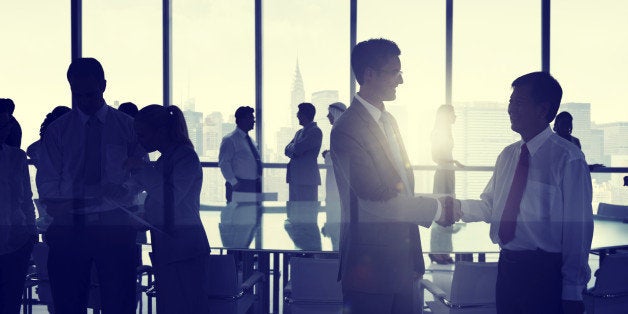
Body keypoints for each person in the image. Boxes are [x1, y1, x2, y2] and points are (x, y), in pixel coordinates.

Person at [330, 38, 459, 314]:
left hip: (404, 262)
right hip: (370, 267)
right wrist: (437, 208)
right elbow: (372, 200)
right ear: (369, 74)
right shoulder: (346, 128)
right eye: (395, 72)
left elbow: (401, 188)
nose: (400, 80)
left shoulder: (390, 121)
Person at [449, 72, 593, 314]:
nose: (510, 109)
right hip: (507, 269)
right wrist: (454, 208)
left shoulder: (568, 158)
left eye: (518, 103)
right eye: (510, 102)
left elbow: (577, 231)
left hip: (545, 273)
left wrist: (572, 290)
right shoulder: (507, 155)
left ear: (542, 109)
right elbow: (490, 206)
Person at [36, 57, 145, 314]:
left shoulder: (128, 127)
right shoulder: (58, 131)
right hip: (70, 223)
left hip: (116, 222)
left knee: (120, 302)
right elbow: (48, 179)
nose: (84, 100)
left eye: (90, 93)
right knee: (68, 301)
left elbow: (141, 171)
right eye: (78, 94)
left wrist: (126, 188)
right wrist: (58, 207)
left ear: (104, 86)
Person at [125, 104, 212, 314]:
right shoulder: (166, 159)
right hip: (171, 243)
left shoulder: (186, 157)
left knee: (185, 306)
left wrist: (143, 169)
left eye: (142, 134)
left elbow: (169, 197)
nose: (139, 140)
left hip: (185, 246)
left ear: (161, 132)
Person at [0, 103, 36, 314]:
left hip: (16, 239)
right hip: (15, 238)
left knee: (11, 303)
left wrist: (31, 232)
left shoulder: (17, 157)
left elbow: (26, 198)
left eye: (5, 126)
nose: (4, 131)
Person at [429, 104, 464, 265]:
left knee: (448, 210)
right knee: (442, 210)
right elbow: (435, 157)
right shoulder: (438, 132)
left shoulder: (447, 132)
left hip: (449, 173)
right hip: (443, 173)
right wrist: (453, 161)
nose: (455, 116)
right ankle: (437, 253)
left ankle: (444, 252)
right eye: (452, 114)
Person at [219, 106, 262, 203]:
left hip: (254, 185)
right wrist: (234, 183)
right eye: (251, 118)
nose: (254, 121)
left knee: (252, 215)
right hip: (240, 185)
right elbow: (224, 163)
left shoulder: (251, 141)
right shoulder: (230, 139)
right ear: (242, 120)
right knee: (238, 216)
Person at [285, 102, 322, 202]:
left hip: (307, 180)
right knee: (294, 212)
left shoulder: (315, 131)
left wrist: (294, 148)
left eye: (299, 112)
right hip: (295, 179)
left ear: (305, 114)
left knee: (307, 212)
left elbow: (297, 149)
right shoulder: (299, 132)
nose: (297, 115)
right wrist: (295, 148)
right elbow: (286, 150)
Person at [321, 102, 346, 250]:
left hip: (337, 185)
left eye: (330, 114)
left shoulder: (340, 131)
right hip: (333, 183)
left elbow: (340, 156)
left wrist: (327, 155)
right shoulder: (340, 130)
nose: (328, 116)